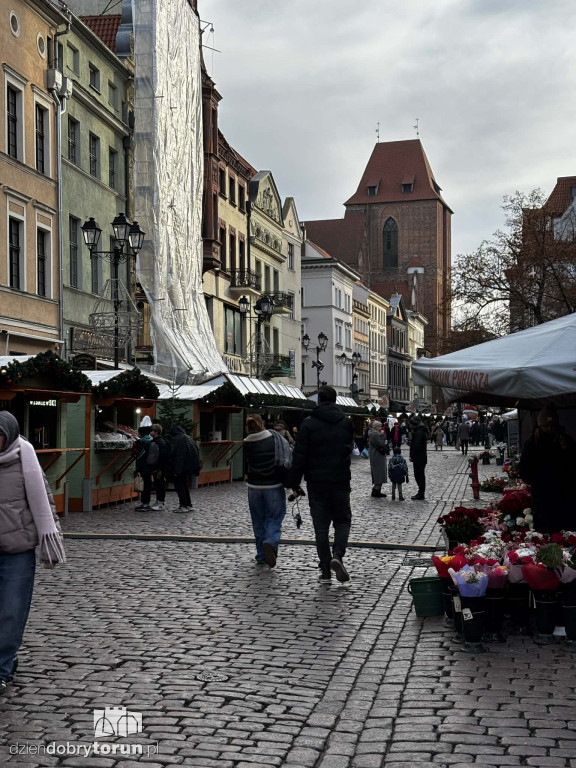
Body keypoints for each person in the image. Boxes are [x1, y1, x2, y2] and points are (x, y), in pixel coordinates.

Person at [0, 411, 66, 696]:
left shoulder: (25, 458)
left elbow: (44, 502)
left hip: (17, 550)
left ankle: (1, 668)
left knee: (12, 611)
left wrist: (50, 540)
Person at [291, 385, 354, 584]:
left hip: (316, 483)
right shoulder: (345, 422)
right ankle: (338, 554)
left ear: (318, 401)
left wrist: (294, 482)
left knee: (321, 528)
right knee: (343, 521)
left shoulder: (308, 424)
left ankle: (326, 569)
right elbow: (348, 449)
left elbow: (299, 456)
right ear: (335, 400)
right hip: (340, 480)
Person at [519, 405, 576, 533]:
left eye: (552, 426)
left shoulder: (566, 441)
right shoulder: (533, 443)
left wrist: (567, 450)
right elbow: (524, 471)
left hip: (566, 498)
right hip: (543, 500)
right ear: (540, 426)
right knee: (545, 534)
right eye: (546, 426)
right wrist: (540, 481)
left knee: (566, 535)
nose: (549, 429)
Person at [243, 414, 290, 567]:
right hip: (273, 485)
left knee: (258, 522)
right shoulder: (272, 439)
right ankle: (270, 541)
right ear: (262, 423)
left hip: (253, 487)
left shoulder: (247, 442)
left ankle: (261, 555)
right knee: (275, 518)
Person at [171, 426, 201, 513]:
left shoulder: (179, 440)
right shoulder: (188, 438)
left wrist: (177, 470)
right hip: (188, 467)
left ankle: (183, 505)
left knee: (179, 486)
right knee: (184, 485)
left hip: (181, 467)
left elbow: (179, 456)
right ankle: (188, 504)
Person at [148, 424, 171, 511]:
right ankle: (159, 501)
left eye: (151, 431)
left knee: (160, 484)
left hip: (159, 467)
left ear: (156, 432)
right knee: (158, 484)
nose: (150, 432)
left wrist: (159, 468)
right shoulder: (158, 441)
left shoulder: (160, 442)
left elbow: (162, 456)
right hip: (158, 467)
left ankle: (160, 502)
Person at [133, 425, 154, 511]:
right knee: (147, 485)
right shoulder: (151, 441)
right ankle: (146, 502)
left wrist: (138, 469)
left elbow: (139, 457)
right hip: (150, 466)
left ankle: (145, 503)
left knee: (144, 485)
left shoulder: (141, 443)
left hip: (143, 467)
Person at [368, 420, 389, 498]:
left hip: (378, 456)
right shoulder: (374, 435)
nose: (381, 427)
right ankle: (376, 491)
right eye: (379, 426)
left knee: (380, 473)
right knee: (378, 473)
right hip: (377, 456)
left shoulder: (376, 434)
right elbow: (381, 444)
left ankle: (378, 490)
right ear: (376, 427)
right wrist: (383, 436)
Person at [409, 415, 428, 500]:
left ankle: (421, 493)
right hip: (421, 457)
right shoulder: (421, 430)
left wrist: (412, 455)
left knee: (419, 475)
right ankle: (421, 492)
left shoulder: (418, 432)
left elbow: (416, 445)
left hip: (418, 457)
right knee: (420, 475)